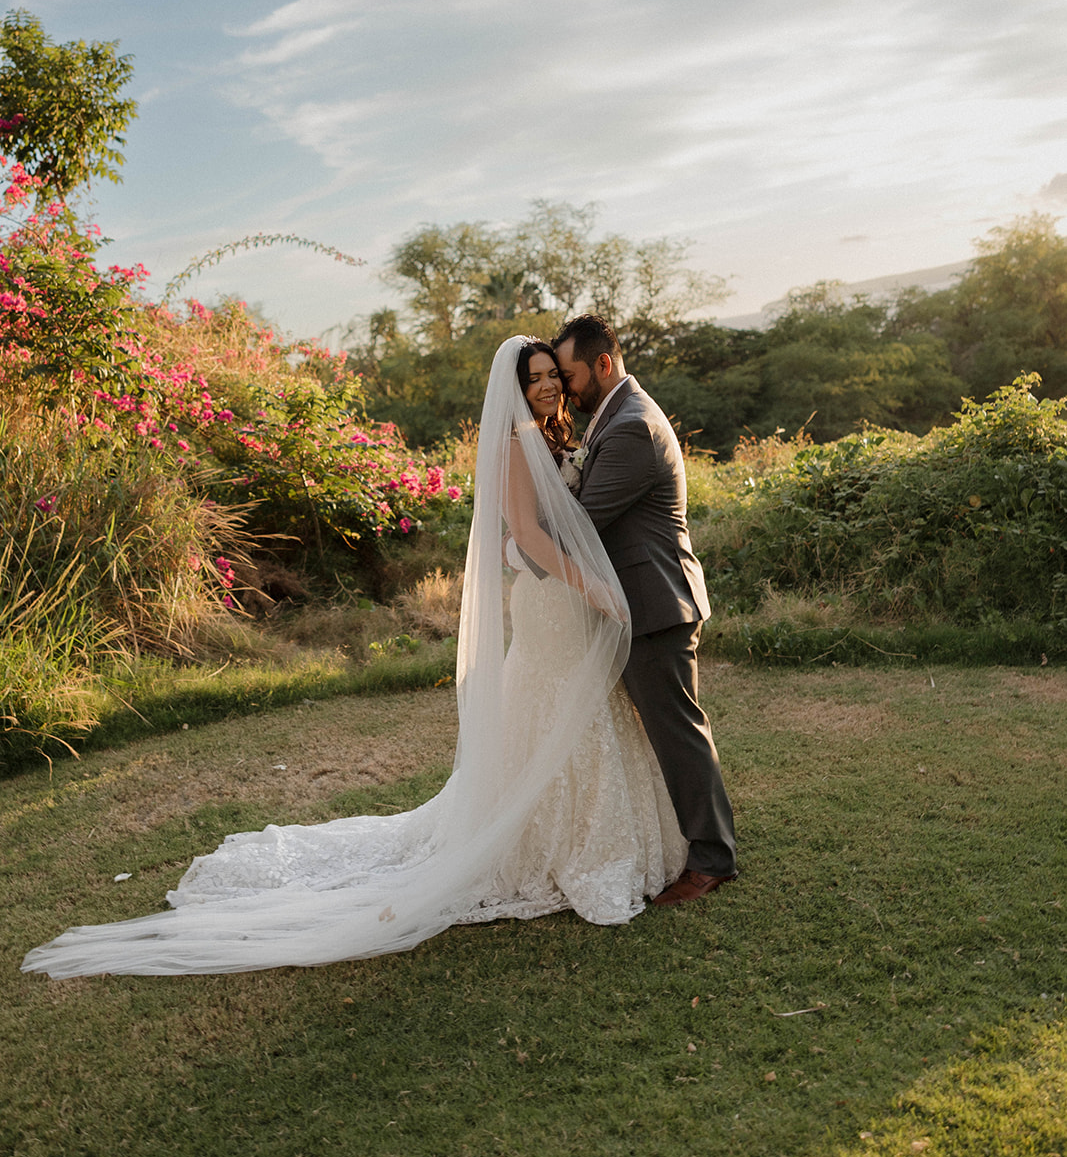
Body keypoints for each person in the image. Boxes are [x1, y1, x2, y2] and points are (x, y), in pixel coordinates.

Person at [22, 336, 685, 979]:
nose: (546, 385)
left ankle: (595, 838)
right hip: (553, 602)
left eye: (551, 374)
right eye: (534, 377)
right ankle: (555, 848)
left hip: (564, 604)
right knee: (551, 712)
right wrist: (590, 582)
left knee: (582, 709)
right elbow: (530, 537)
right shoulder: (515, 444)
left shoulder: (553, 437)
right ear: (514, 390)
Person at [552, 314, 737, 904]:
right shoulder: (619, 416)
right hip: (641, 600)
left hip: (654, 603)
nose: (567, 388)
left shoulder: (631, 427)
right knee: (660, 732)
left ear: (603, 363)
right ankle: (682, 846)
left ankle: (711, 861)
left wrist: (522, 528)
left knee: (677, 733)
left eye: (572, 374)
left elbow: (579, 524)